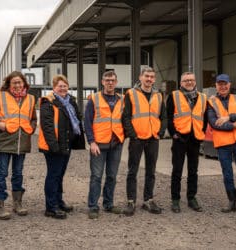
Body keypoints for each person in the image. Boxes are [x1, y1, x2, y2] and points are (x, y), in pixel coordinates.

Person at [0, 71, 37, 220]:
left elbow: (33, 118)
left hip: (22, 142)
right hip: (4, 141)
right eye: (14, 82)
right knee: (2, 173)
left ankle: (17, 203)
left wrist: (31, 128)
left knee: (18, 173)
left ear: (24, 83)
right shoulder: (0, 95)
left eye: (20, 82)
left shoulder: (31, 98)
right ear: (9, 83)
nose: (18, 85)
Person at [207, 73, 236, 218]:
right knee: (227, 174)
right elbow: (214, 123)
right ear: (216, 85)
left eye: (225, 83)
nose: (222, 86)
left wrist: (228, 118)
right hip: (223, 144)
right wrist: (233, 125)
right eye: (220, 84)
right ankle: (231, 201)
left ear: (229, 85)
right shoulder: (211, 101)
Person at [38, 74, 85, 219]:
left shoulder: (70, 101)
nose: (63, 88)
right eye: (60, 86)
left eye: (65, 85)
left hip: (66, 144)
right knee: (53, 175)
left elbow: (77, 118)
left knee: (60, 175)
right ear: (54, 87)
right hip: (55, 146)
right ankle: (51, 207)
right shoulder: (48, 103)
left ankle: (59, 202)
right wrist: (54, 146)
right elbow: (47, 127)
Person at [122, 66, 167, 216]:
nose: (149, 79)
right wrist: (132, 134)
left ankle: (148, 200)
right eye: (146, 76)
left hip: (153, 138)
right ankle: (131, 201)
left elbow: (164, 116)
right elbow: (126, 116)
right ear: (141, 77)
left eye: (152, 77)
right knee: (132, 171)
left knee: (151, 171)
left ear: (154, 79)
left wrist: (160, 132)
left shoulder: (159, 95)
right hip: (137, 139)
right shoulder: (131, 93)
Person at [85, 71, 124, 219]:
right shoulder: (94, 99)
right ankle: (93, 206)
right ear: (102, 82)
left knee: (112, 176)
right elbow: (87, 122)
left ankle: (108, 204)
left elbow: (125, 119)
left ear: (116, 82)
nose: (110, 83)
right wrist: (91, 142)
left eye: (112, 80)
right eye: (107, 80)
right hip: (99, 145)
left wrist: (122, 137)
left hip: (116, 144)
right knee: (96, 176)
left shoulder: (122, 99)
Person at [166, 72, 207, 213]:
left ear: (195, 82)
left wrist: (201, 133)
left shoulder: (202, 97)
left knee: (193, 171)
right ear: (181, 83)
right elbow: (169, 116)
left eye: (191, 80)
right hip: (179, 139)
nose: (189, 82)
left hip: (195, 139)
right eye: (186, 80)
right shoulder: (174, 96)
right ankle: (175, 199)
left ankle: (191, 198)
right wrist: (174, 134)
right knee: (177, 170)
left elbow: (205, 118)